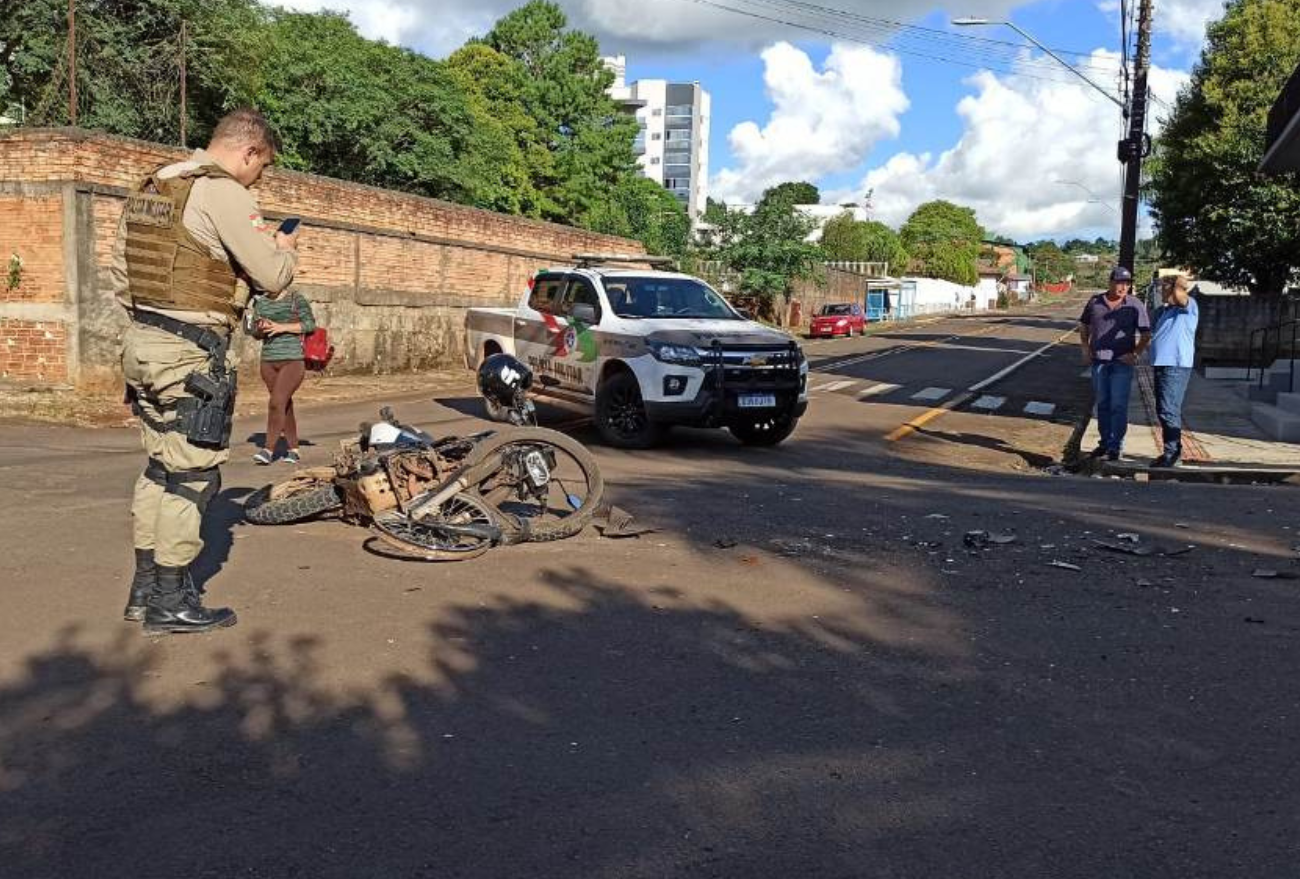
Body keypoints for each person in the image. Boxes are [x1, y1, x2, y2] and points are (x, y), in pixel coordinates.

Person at [112, 109, 298, 634]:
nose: (259, 178)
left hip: (140, 342)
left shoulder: (153, 184)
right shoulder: (223, 193)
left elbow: (121, 274)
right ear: (249, 152)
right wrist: (285, 251)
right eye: (262, 167)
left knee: (158, 465)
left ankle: (143, 589)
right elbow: (271, 278)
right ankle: (171, 600)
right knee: (193, 476)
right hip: (189, 352)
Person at [1079, 266, 1151, 461]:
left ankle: (1115, 446)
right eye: (1119, 282)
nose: (1123, 287)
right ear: (1110, 282)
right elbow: (1084, 324)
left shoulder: (1134, 304)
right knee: (1102, 404)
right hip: (1099, 363)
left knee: (1118, 405)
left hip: (1121, 364)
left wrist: (1135, 353)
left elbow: (1146, 333)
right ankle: (1104, 443)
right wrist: (1085, 347)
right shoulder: (1095, 302)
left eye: (1127, 283)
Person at [250, 290, 316, 465]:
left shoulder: (296, 298)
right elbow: (255, 334)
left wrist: (281, 327)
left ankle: (268, 450)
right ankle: (293, 449)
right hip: (268, 361)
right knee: (284, 404)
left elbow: (310, 325)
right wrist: (260, 327)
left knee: (276, 402)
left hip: (293, 360)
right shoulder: (260, 302)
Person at [1148, 274, 1199, 467]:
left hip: (1176, 365)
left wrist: (1178, 281)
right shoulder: (1164, 311)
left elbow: (1181, 296)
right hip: (1161, 364)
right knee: (1163, 409)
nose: (1161, 291)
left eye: (1164, 288)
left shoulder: (1189, 306)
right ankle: (1169, 451)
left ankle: (1173, 454)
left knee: (1169, 410)